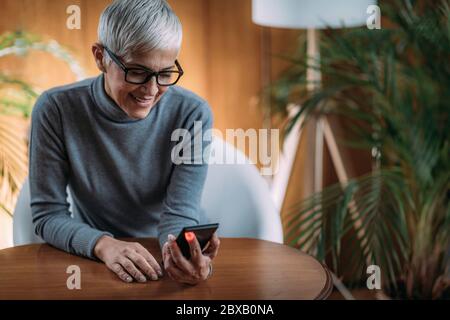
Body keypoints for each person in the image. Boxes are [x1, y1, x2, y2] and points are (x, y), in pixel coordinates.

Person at [29, 0, 219, 285]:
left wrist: (182, 254)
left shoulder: (192, 113)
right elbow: (47, 215)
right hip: (92, 253)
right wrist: (104, 245)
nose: (152, 90)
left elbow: (179, 212)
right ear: (100, 57)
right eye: (137, 72)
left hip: (159, 253)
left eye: (165, 73)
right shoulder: (56, 109)